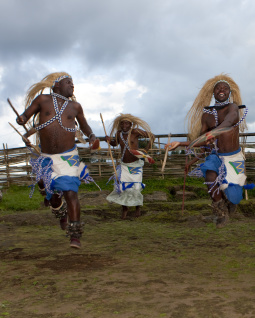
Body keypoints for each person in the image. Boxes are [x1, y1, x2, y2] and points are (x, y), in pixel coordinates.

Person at [16, 72, 97, 249]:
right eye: (68, 82)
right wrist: (21, 119)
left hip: (68, 157)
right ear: (57, 85)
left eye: (73, 83)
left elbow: (84, 125)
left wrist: (91, 136)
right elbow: (24, 116)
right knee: (53, 197)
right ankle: (61, 213)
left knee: (70, 192)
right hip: (46, 158)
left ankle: (75, 236)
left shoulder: (75, 106)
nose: (72, 86)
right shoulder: (42, 99)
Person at [166, 74, 251, 228]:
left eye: (225, 88)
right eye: (218, 88)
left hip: (233, 157)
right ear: (213, 93)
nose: (221, 90)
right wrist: (180, 143)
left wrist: (213, 133)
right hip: (216, 156)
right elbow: (202, 141)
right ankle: (221, 212)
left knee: (234, 195)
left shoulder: (233, 108)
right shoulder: (206, 115)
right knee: (210, 176)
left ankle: (229, 202)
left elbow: (228, 122)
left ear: (229, 93)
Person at [105, 114, 154, 219]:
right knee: (122, 188)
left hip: (136, 165)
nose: (124, 125)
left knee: (136, 188)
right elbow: (115, 143)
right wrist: (109, 141)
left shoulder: (135, 132)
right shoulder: (119, 134)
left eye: (126, 123)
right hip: (124, 165)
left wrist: (145, 150)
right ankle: (125, 209)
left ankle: (137, 208)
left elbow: (152, 136)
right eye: (122, 123)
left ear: (131, 124)